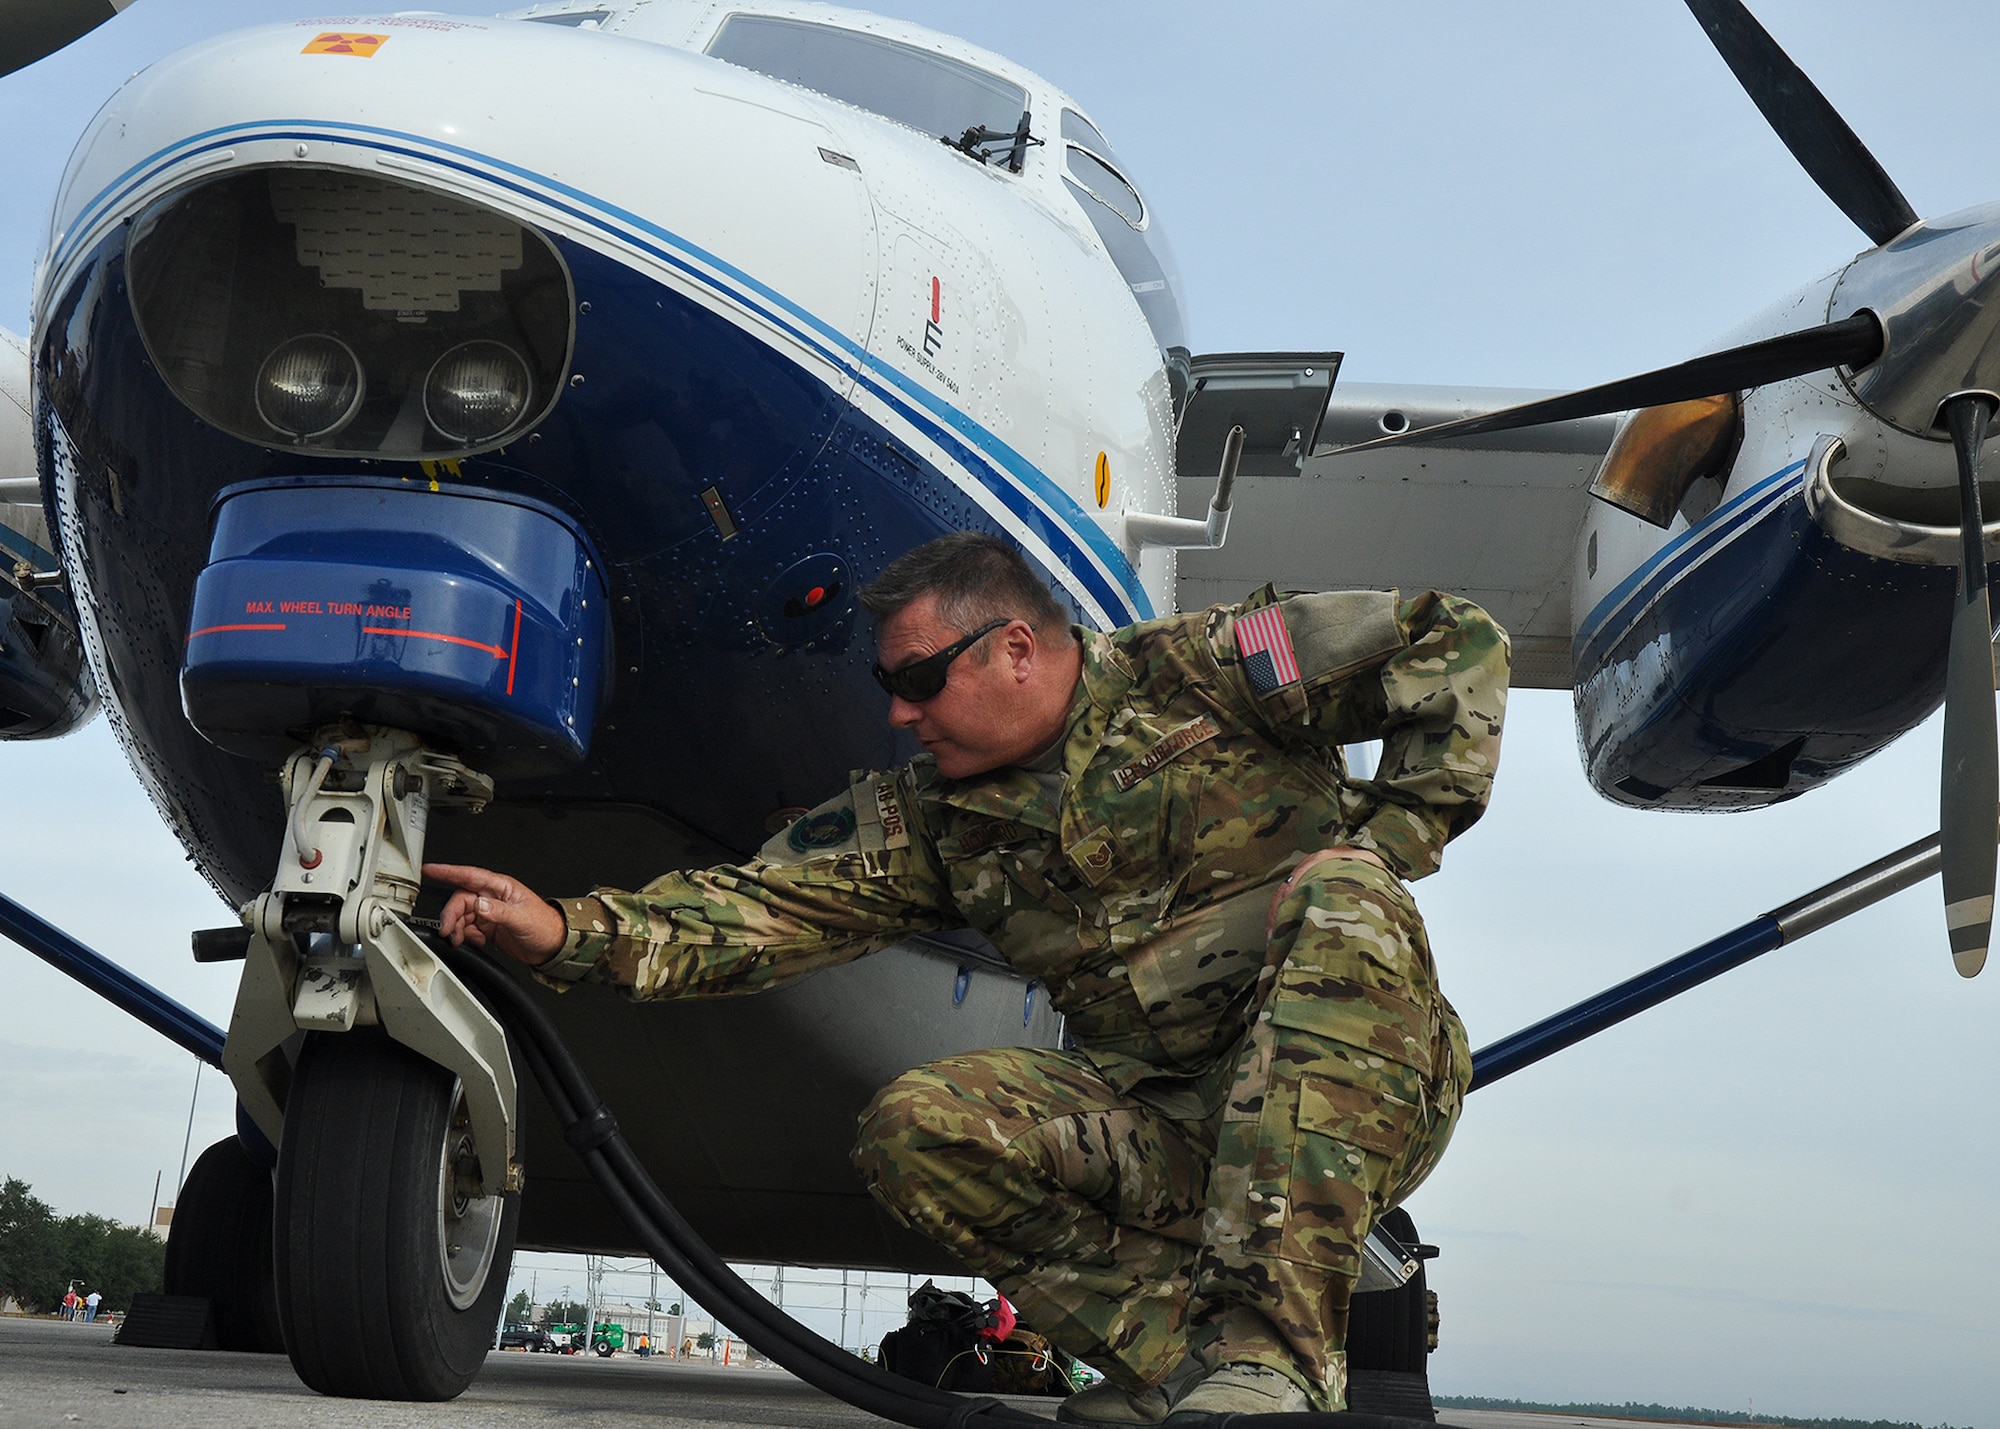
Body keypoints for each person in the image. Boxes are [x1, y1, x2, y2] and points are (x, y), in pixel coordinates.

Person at [428, 532, 1507, 1422]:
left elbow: (1449, 642)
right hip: (1168, 1124)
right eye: (886, 687)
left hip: (1368, 1090)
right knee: (920, 1126)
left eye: (916, 681)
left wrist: (1394, 835)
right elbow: (760, 910)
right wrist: (564, 927)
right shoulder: (935, 825)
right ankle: (1190, 1370)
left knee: (1340, 894)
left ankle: (1272, 1356)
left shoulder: (1210, 672)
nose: (898, 712)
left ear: (1017, 650)